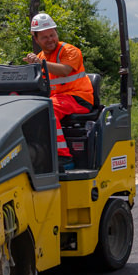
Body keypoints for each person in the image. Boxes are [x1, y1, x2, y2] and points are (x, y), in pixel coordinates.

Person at [22, 13, 95, 170]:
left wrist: (40, 63)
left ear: (56, 32)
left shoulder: (70, 51)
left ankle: (63, 157)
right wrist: (31, 67)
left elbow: (64, 70)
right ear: (36, 39)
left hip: (79, 98)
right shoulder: (41, 57)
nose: (50, 39)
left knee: (48, 108)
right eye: (44, 37)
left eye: (52, 35)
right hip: (59, 99)